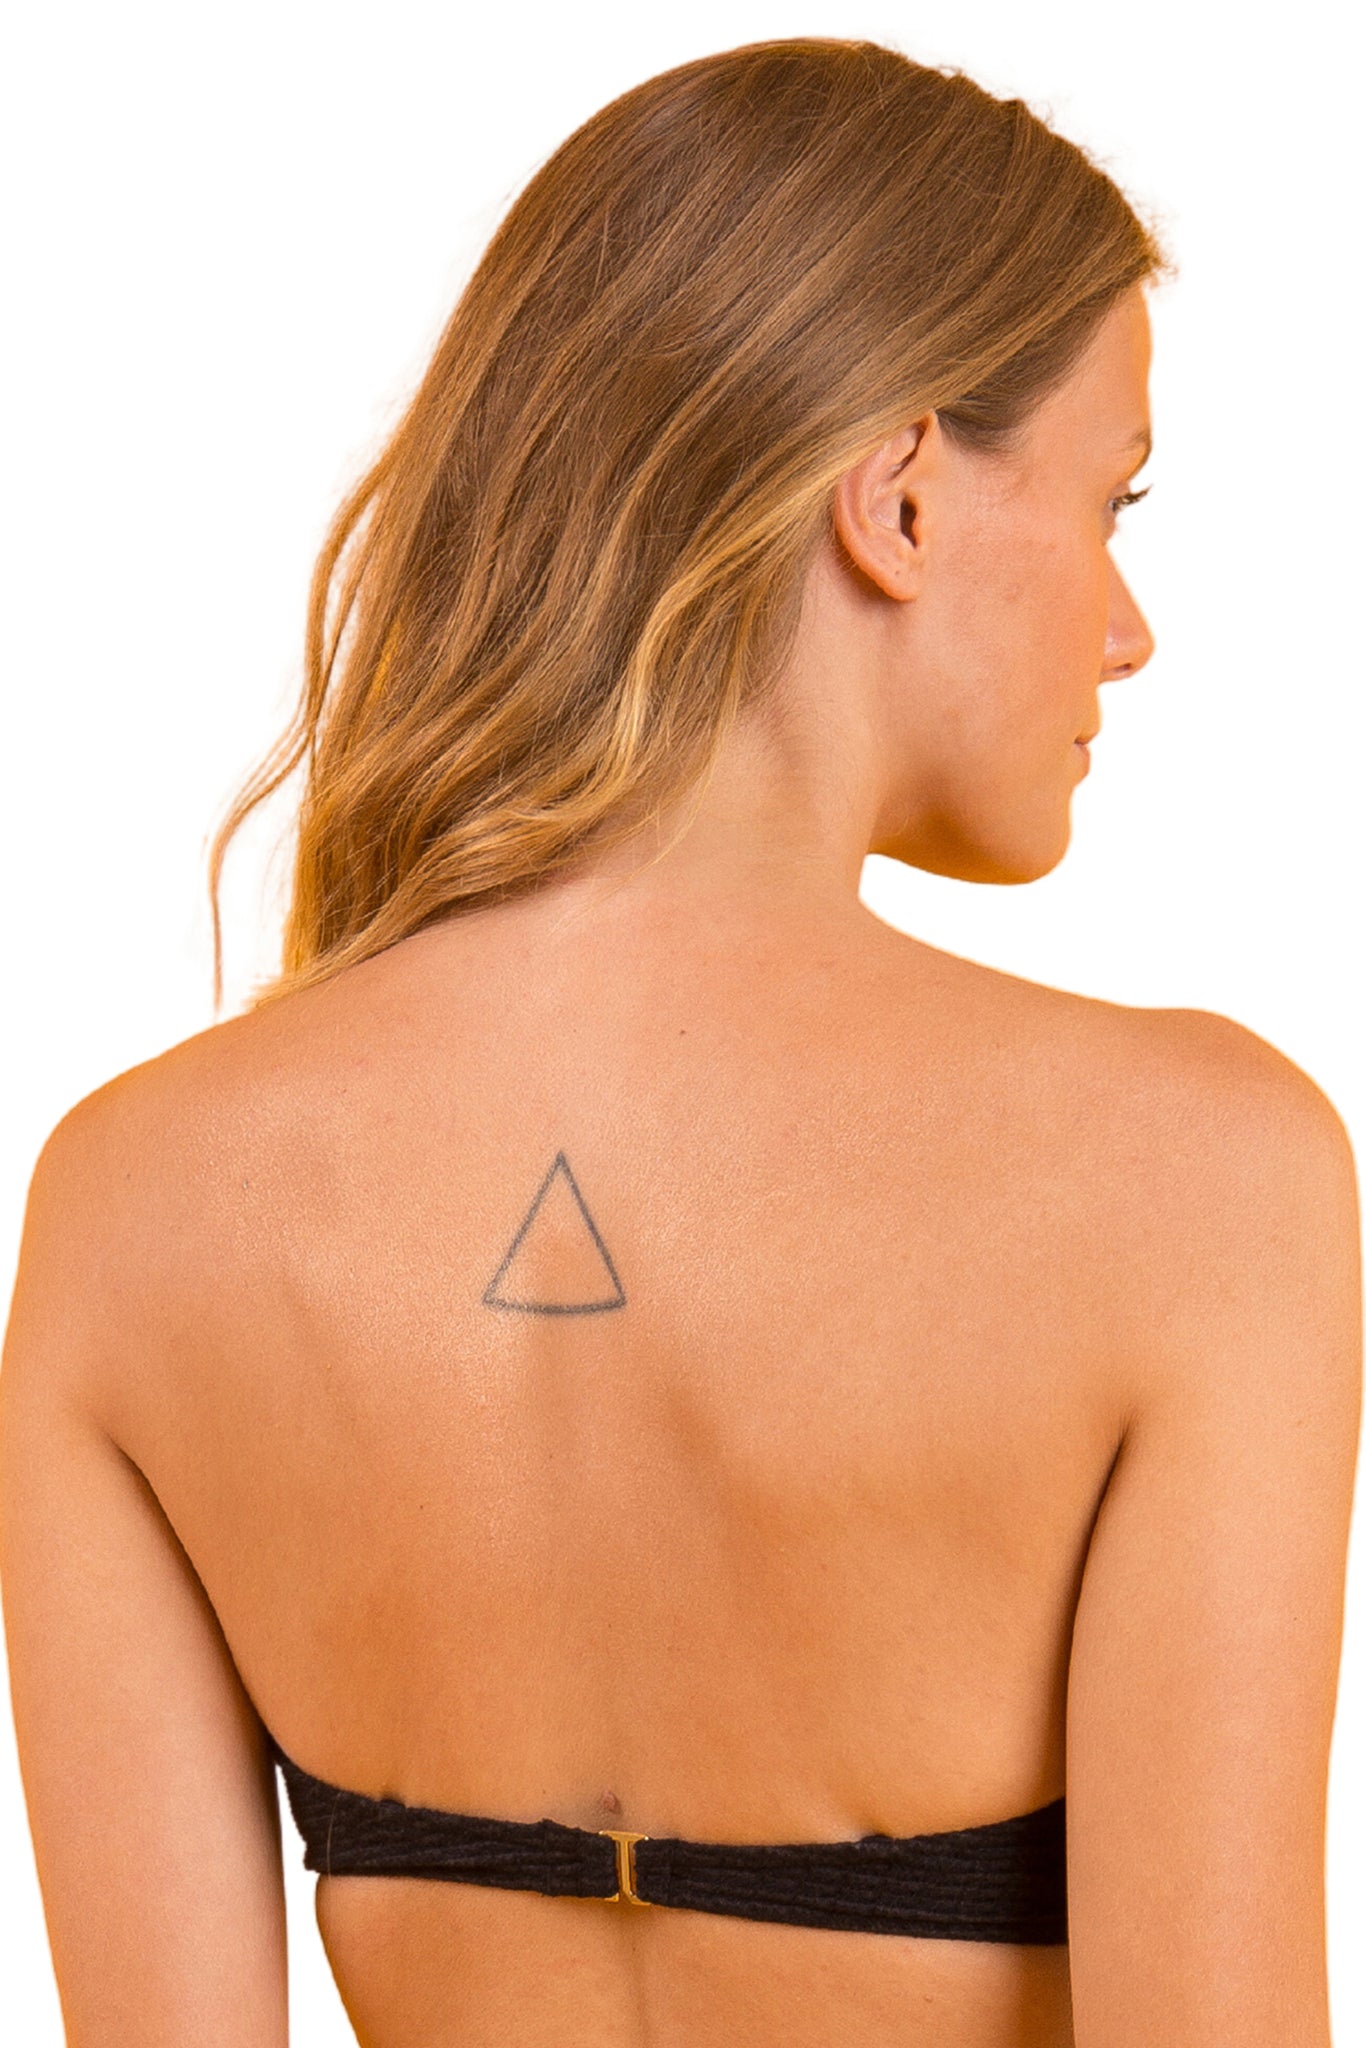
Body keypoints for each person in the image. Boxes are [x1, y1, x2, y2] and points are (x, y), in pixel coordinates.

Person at [0, 35, 1358, 2048]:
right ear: (898, 498)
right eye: (1109, 500)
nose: (1124, 629)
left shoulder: (130, 1197)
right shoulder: (1196, 1173)